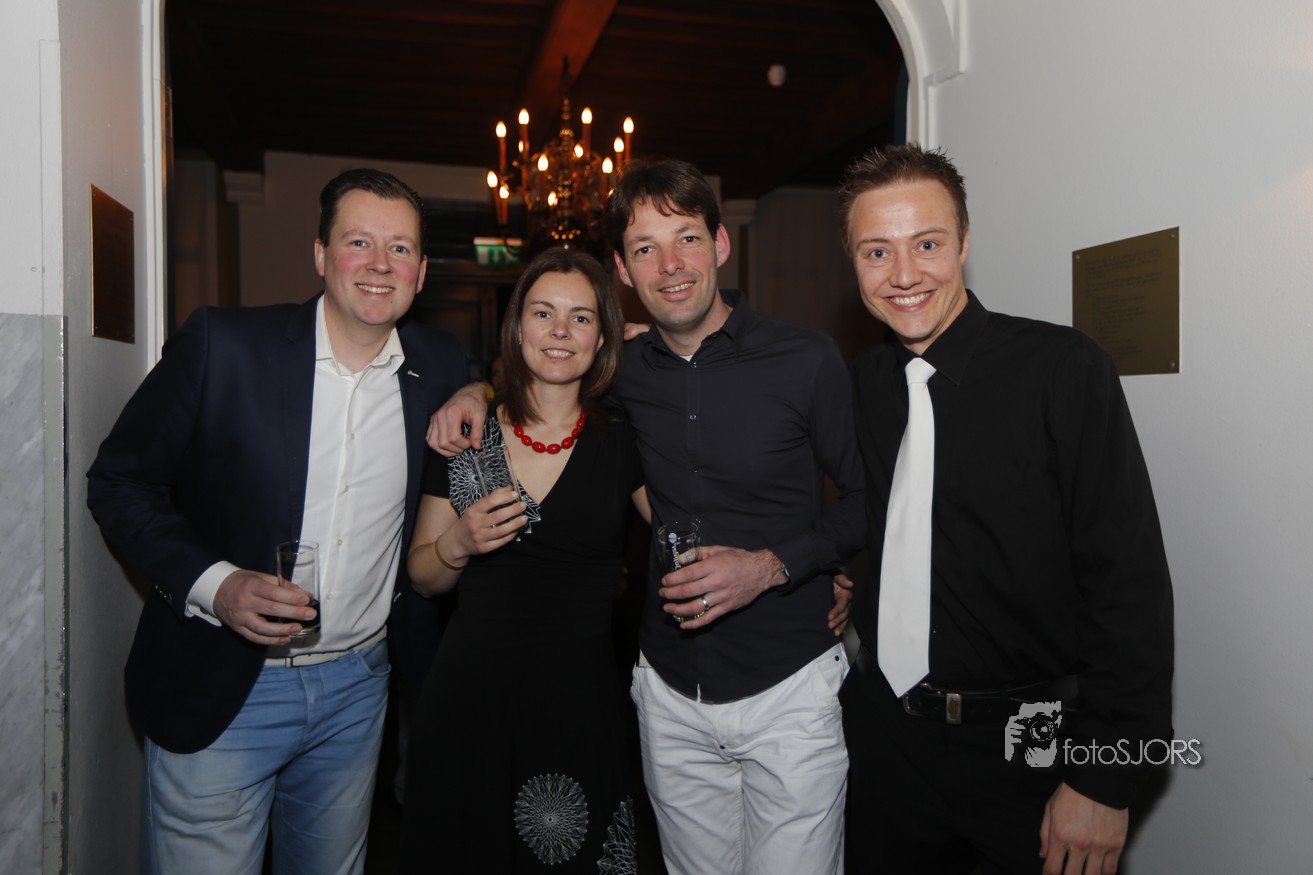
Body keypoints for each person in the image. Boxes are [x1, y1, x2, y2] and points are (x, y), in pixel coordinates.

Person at [431, 159, 865, 875]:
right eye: (644, 248)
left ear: (720, 243)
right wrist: (472, 391)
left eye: (686, 238)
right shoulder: (619, 370)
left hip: (786, 683)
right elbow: (541, 369)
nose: (669, 265)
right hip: (668, 693)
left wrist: (777, 565)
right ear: (623, 270)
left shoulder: (807, 359)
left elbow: (864, 502)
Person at [86, 168, 468, 875]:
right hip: (226, 683)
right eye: (358, 242)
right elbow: (118, 482)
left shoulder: (440, 365)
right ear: (321, 254)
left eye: (401, 248)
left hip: (358, 689)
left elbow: (506, 379)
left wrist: (481, 389)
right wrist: (217, 585)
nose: (380, 264)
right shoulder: (224, 346)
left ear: (421, 271)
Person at [836, 143, 1174, 875]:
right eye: (876, 251)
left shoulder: (1063, 369)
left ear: (964, 242)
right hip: (884, 747)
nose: (903, 274)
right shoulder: (860, 384)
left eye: (927, 244)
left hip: (1030, 746)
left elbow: (1128, 585)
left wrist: (1105, 776)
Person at [400, 247, 646, 872]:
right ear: (517, 327)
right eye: (543, 313)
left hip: (577, 705)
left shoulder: (625, 440)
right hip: (469, 700)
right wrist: (458, 543)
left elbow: (689, 528)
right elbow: (423, 578)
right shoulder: (464, 432)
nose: (560, 331)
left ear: (602, 337)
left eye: (581, 317)